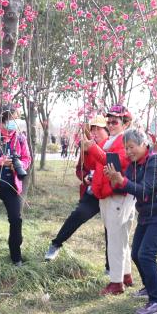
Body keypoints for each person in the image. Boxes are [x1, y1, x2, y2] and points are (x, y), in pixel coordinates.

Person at [106, 128, 157, 314]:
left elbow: (146, 190)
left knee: (146, 254)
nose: (128, 151)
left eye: (131, 147)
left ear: (144, 144)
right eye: (126, 148)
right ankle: (149, 287)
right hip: (148, 213)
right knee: (136, 253)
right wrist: (115, 180)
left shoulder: (156, 161)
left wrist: (122, 181)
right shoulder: (134, 164)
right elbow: (128, 187)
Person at [44, 115, 110, 275]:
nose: (95, 132)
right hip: (92, 191)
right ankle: (56, 244)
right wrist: (85, 177)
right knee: (78, 214)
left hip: (110, 192)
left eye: (99, 129)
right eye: (92, 129)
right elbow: (80, 169)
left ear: (107, 130)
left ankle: (110, 267)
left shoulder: (113, 145)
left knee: (111, 229)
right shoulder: (87, 147)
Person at [82, 105, 135, 295]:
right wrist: (87, 149)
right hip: (107, 193)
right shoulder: (109, 140)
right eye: (109, 121)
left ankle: (116, 282)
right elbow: (92, 163)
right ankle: (125, 275)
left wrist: (93, 148)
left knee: (115, 239)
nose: (110, 125)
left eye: (115, 122)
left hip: (117, 194)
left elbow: (116, 163)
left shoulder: (126, 141)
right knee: (121, 238)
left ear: (125, 124)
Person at [0, 105, 32, 266]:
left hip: (12, 186)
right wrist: (0, 161)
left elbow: (27, 158)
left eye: (17, 118)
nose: (16, 121)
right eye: (14, 118)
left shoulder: (20, 138)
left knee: (16, 220)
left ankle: (16, 257)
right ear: (3, 120)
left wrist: (19, 165)